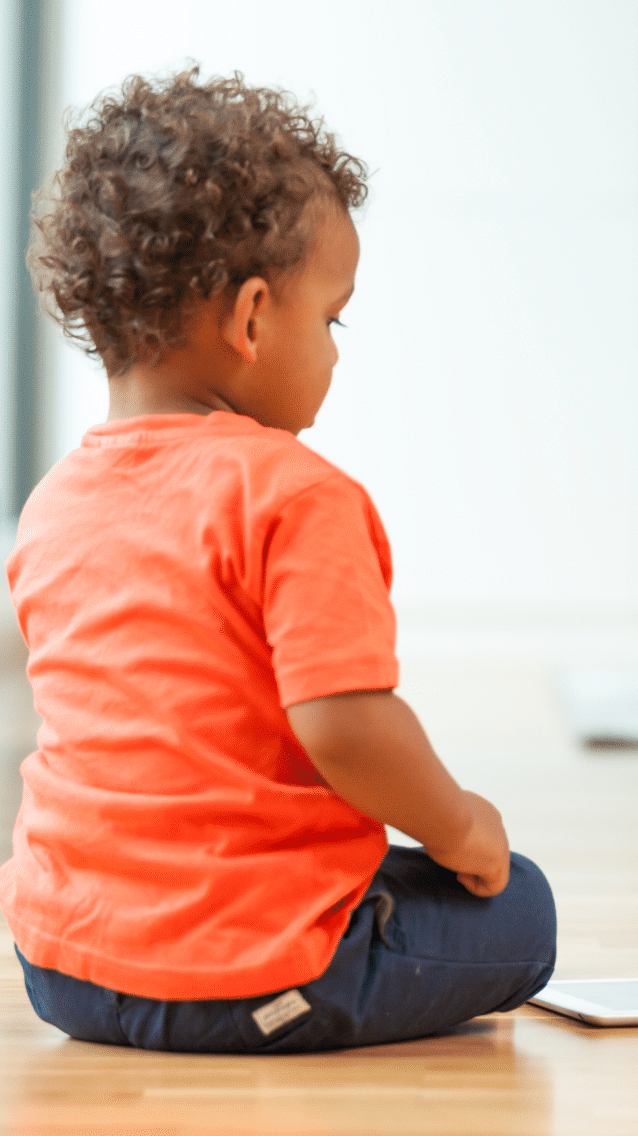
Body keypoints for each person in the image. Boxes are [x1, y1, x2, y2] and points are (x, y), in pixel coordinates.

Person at [1, 69, 555, 1053]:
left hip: (61, 964)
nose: (337, 350)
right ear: (253, 318)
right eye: (332, 317)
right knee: (525, 909)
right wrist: (462, 825)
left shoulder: (51, 506)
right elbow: (344, 724)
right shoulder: (294, 493)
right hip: (252, 977)